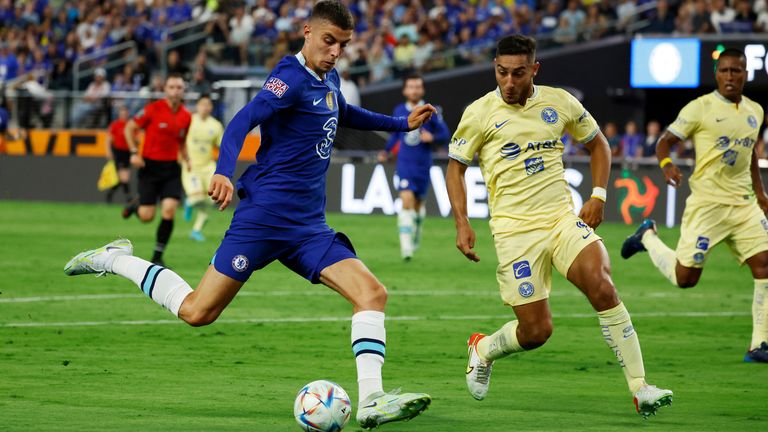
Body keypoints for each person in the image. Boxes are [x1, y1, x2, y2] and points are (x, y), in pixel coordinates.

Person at [64, 1, 435, 429]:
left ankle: (372, 400)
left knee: (372, 294)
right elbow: (242, 120)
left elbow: (346, 112)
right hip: (262, 219)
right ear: (306, 32)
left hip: (307, 227)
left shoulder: (328, 77)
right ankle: (113, 258)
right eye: (329, 41)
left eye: (343, 45)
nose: (335, 52)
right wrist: (224, 171)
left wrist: (401, 124)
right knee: (197, 312)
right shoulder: (289, 78)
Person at [445, 34, 672, 418]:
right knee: (536, 332)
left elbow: (599, 144)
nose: (510, 82)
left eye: (518, 73)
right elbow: (456, 167)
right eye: (502, 73)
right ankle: (483, 349)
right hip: (515, 233)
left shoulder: (559, 101)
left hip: (561, 220)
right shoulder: (480, 113)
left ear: (534, 69)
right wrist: (462, 222)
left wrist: (598, 195)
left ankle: (640, 388)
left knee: (602, 286)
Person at [622, 48, 768, 363]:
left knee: (765, 265)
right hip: (707, 205)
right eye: (725, 71)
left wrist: (760, 194)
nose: (731, 76)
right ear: (717, 74)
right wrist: (666, 164)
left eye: (737, 71)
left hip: (743, 207)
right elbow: (665, 141)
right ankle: (647, 237)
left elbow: (751, 157)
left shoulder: (755, 111)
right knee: (685, 278)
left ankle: (759, 345)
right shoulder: (700, 108)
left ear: (746, 74)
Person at [121, 73, 192, 267]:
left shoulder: (186, 116)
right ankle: (137, 206)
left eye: (179, 87)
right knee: (147, 216)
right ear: (165, 90)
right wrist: (134, 152)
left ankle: (157, 255)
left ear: (183, 91)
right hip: (150, 167)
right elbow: (129, 127)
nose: (175, 91)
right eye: (172, 87)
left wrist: (186, 157)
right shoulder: (153, 109)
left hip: (171, 168)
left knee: (169, 211)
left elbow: (182, 141)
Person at [378, 73, 449, 260]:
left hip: (423, 165)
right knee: (406, 201)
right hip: (405, 164)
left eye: (417, 87)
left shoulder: (431, 111)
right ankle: (406, 248)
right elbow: (395, 134)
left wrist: (432, 138)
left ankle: (416, 232)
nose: (414, 90)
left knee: (417, 207)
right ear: (404, 90)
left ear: (422, 89)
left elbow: (445, 134)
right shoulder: (399, 109)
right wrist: (387, 151)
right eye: (411, 86)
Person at [182, 94, 223, 242]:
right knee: (198, 197)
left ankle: (196, 231)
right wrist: (184, 158)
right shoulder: (189, 121)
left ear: (211, 108)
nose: (205, 108)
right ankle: (189, 203)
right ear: (197, 106)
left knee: (211, 200)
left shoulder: (216, 125)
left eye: (208, 105)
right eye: (202, 104)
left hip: (208, 167)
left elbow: (221, 146)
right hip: (192, 166)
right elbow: (180, 140)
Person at [104, 105, 135, 204]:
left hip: (127, 152)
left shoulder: (131, 125)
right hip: (118, 152)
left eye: (125, 112)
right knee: (124, 177)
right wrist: (108, 151)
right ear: (119, 114)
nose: (124, 114)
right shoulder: (115, 125)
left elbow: (136, 138)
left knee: (122, 178)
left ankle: (110, 193)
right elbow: (108, 139)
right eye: (122, 112)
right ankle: (129, 198)